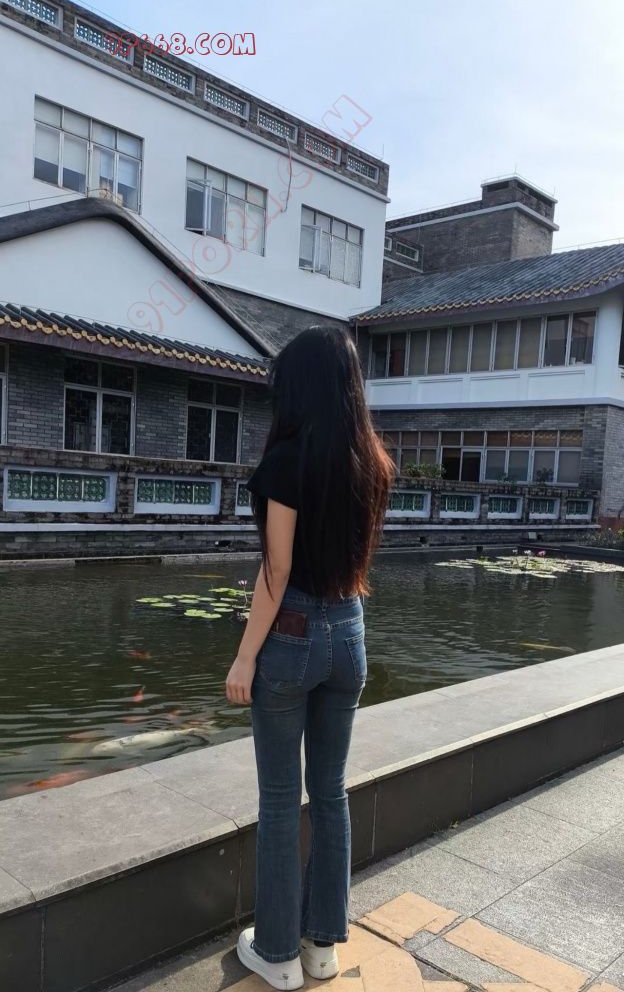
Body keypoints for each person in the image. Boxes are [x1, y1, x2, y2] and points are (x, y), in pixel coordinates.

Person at [225, 325, 394, 990]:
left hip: (292, 638)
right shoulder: (372, 463)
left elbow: (277, 572)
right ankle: (322, 948)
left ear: (298, 388)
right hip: (349, 631)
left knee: (278, 800)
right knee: (330, 792)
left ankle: (275, 954)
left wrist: (245, 658)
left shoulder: (287, 461)